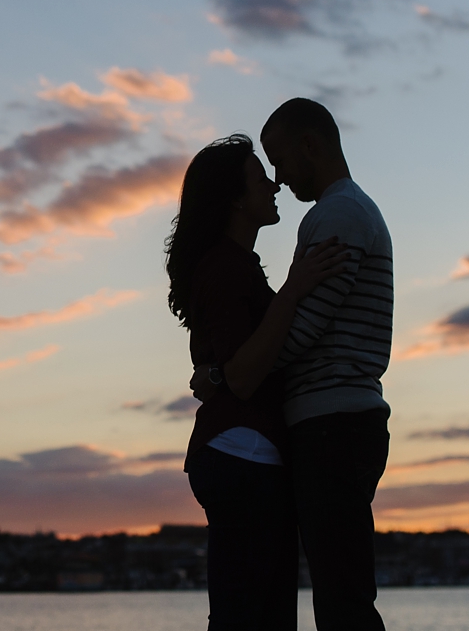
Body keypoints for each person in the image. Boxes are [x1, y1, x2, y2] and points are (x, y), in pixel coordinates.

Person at [166, 133, 348, 631]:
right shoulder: (224, 269)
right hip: (243, 457)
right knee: (250, 618)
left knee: (251, 615)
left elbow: (225, 365)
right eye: (258, 177)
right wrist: (296, 288)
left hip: (245, 456)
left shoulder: (235, 267)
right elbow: (244, 377)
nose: (274, 185)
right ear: (234, 198)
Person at [260, 98, 394, 631]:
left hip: (331, 426)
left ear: (308, 146)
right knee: (342, 592)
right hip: (343, 422)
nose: (278, 178)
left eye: (281, 160)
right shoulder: (350, 211)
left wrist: (242, 365)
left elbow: (296, 336)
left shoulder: (335, 216)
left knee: (342, 599)